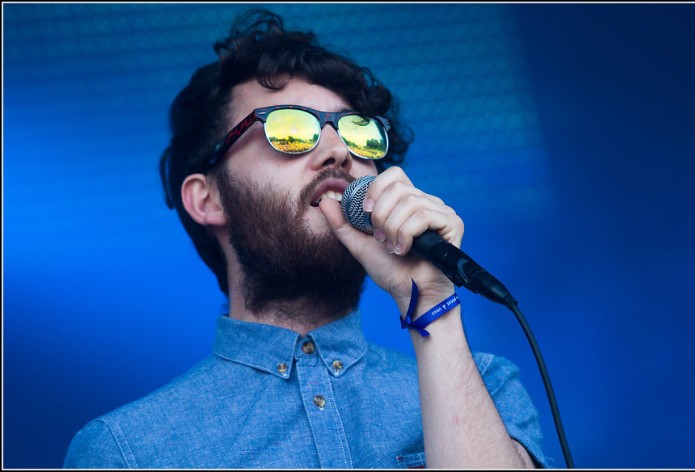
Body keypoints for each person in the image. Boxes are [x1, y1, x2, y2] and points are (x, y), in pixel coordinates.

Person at [64, 9, 547, 469]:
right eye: (290, 129)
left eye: (358, 134)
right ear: (207, 199)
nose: (337, 151)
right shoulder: (126, 451)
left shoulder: (483, 386)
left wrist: (431, 305)